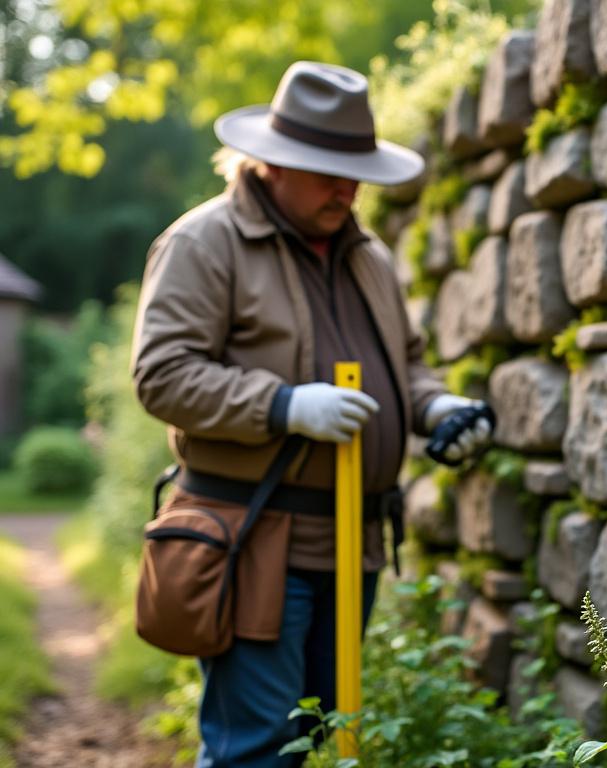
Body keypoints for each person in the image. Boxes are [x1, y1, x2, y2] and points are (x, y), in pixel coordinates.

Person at [131, 61, 490, 767]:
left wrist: (436, 405)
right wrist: (281, 405)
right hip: (254, 540)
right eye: (326, 169)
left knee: (326, 740)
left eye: (353, 169)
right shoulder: (203, 243)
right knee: (259, 750)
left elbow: (404, 363)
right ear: (270, 163)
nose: (346, 187)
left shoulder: (370, 257)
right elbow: (162, 376)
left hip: (351, 543)